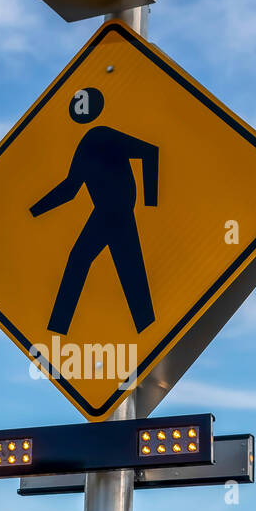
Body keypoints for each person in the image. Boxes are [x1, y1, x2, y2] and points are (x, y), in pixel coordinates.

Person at [30, 88, 158, 335]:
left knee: (103, 264)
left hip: (118, 211)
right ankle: (58, 330)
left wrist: (150, 204)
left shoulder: (102, 137)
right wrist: (34, 211)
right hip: (105, 213)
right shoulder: (85, 146)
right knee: (113, 266)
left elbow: (150, 152)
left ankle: (58, 328)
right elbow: (70, 189)